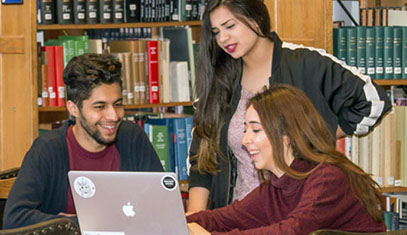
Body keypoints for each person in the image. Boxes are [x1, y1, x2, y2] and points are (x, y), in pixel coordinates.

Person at [187, 0, 392, 212]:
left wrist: (316, 136)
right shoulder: (219, 81)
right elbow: (202, 163)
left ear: (256, 20)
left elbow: (374, 101)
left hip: (299, 214)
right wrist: (195, 220)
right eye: (216, 32)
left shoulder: (306, 63)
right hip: (238, 217)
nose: (223, 38)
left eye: (230, 26)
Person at [187, 84, 386, 234]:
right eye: (245, 129)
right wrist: (177, 223)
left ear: (288, 135)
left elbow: (294, 231)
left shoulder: (328, 178)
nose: (245, 140)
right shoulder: (276, 188)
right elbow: (223, 219)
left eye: (255, 129)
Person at [3, 54, 163, 229]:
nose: (113, 116)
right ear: (74, 109)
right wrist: (74, 224)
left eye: (117, 104)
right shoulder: (49, 149)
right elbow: (14, 219)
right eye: (100, 107)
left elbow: (161, 206)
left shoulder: (133, 138)